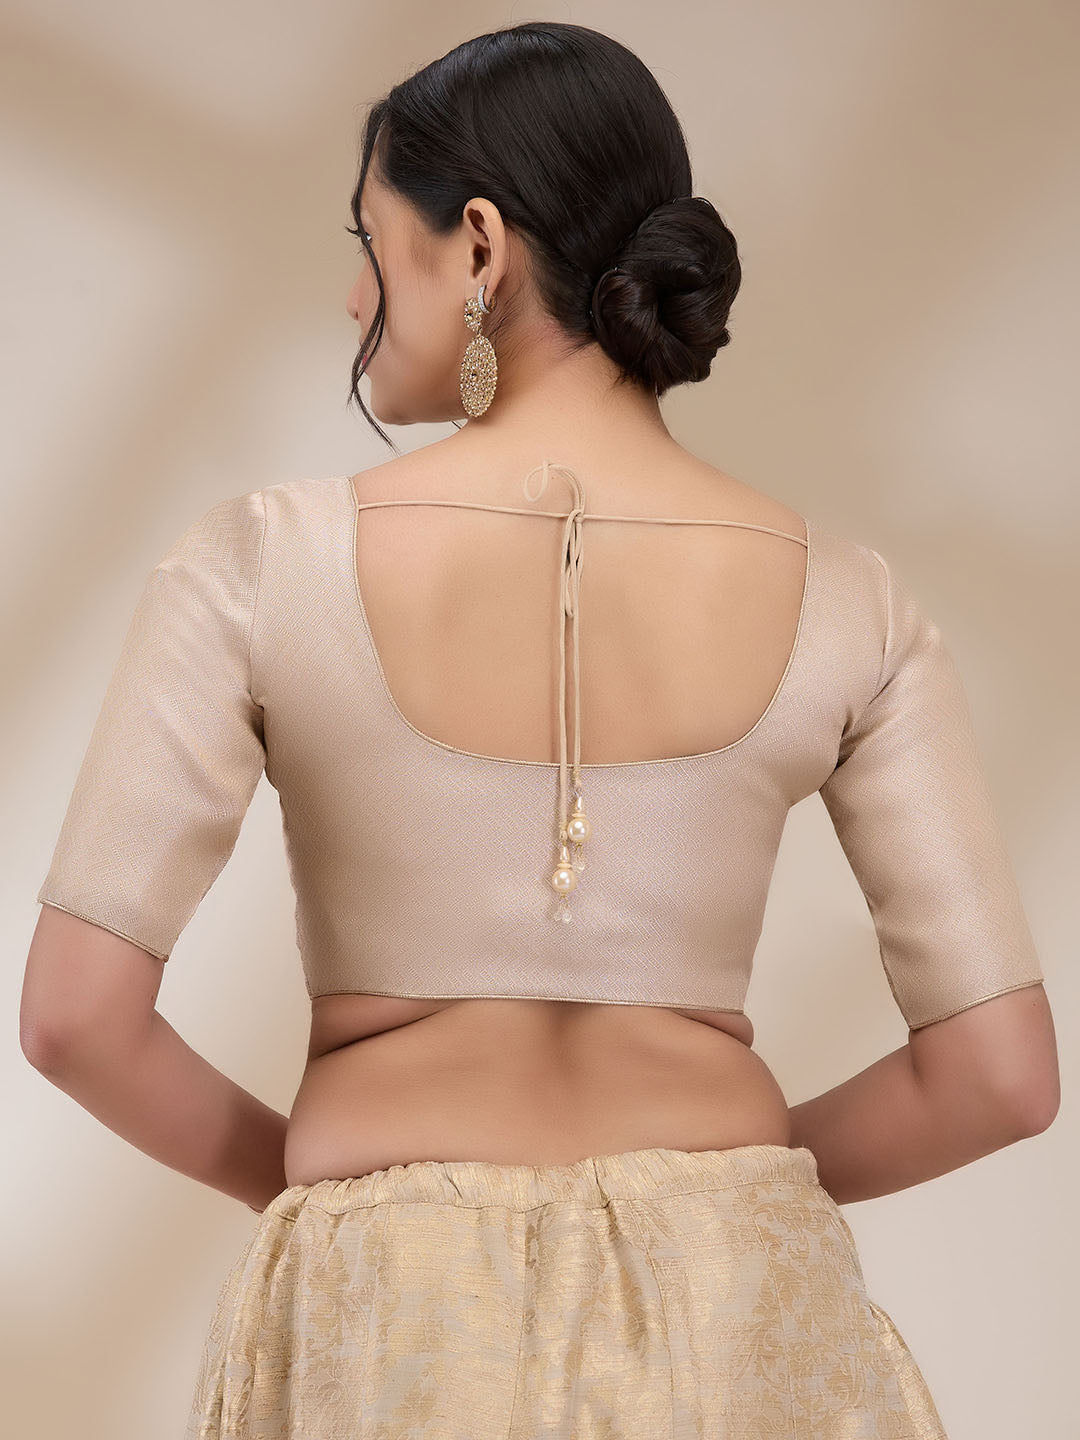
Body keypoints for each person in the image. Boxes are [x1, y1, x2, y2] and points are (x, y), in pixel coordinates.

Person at [22, 20, 1058, 1439]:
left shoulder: (261, 565)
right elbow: (999, 1076)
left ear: (479, 247)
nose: (352, 293)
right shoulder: (853, 602)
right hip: (742, 1306)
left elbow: (75, 1018)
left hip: (395, 1311)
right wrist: (719, 1183)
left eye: (372, 241)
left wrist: (336, 1188)